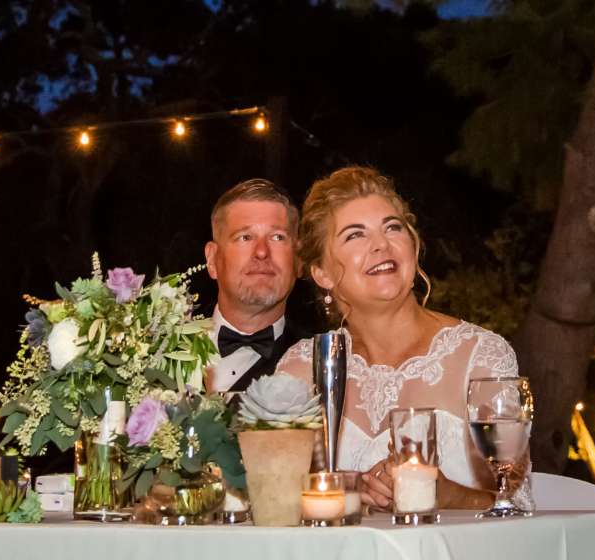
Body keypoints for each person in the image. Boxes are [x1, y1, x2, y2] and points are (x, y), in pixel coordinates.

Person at [271, 165, 512, 512]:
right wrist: (346, 497)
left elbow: (516, 505)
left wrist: (447, 495)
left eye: (393, 228)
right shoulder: (301, 368)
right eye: (355, 235)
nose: (381, 244)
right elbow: (272, 502)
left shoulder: (480, 358)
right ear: (321, 273)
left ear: (413, 247)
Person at [202, 178, 305, 396]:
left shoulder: (317, 362)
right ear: (212, 260)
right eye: (245, 237)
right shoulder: (156, 349)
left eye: (277, 237)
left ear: (298, 260)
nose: (261, 252)